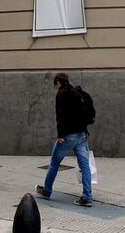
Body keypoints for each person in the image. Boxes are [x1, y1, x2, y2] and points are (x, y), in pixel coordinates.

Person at [36, 72, 93, 207]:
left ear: (58, 83)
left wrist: (60, 135)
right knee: (84, 166)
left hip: (68, 135)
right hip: (81, 134)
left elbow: (60, 115)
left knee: (54, 162)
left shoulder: (61, 94)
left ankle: (47, 191)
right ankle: (87, 197)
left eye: (55, 85)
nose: (56, 88)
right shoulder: (76, 92)